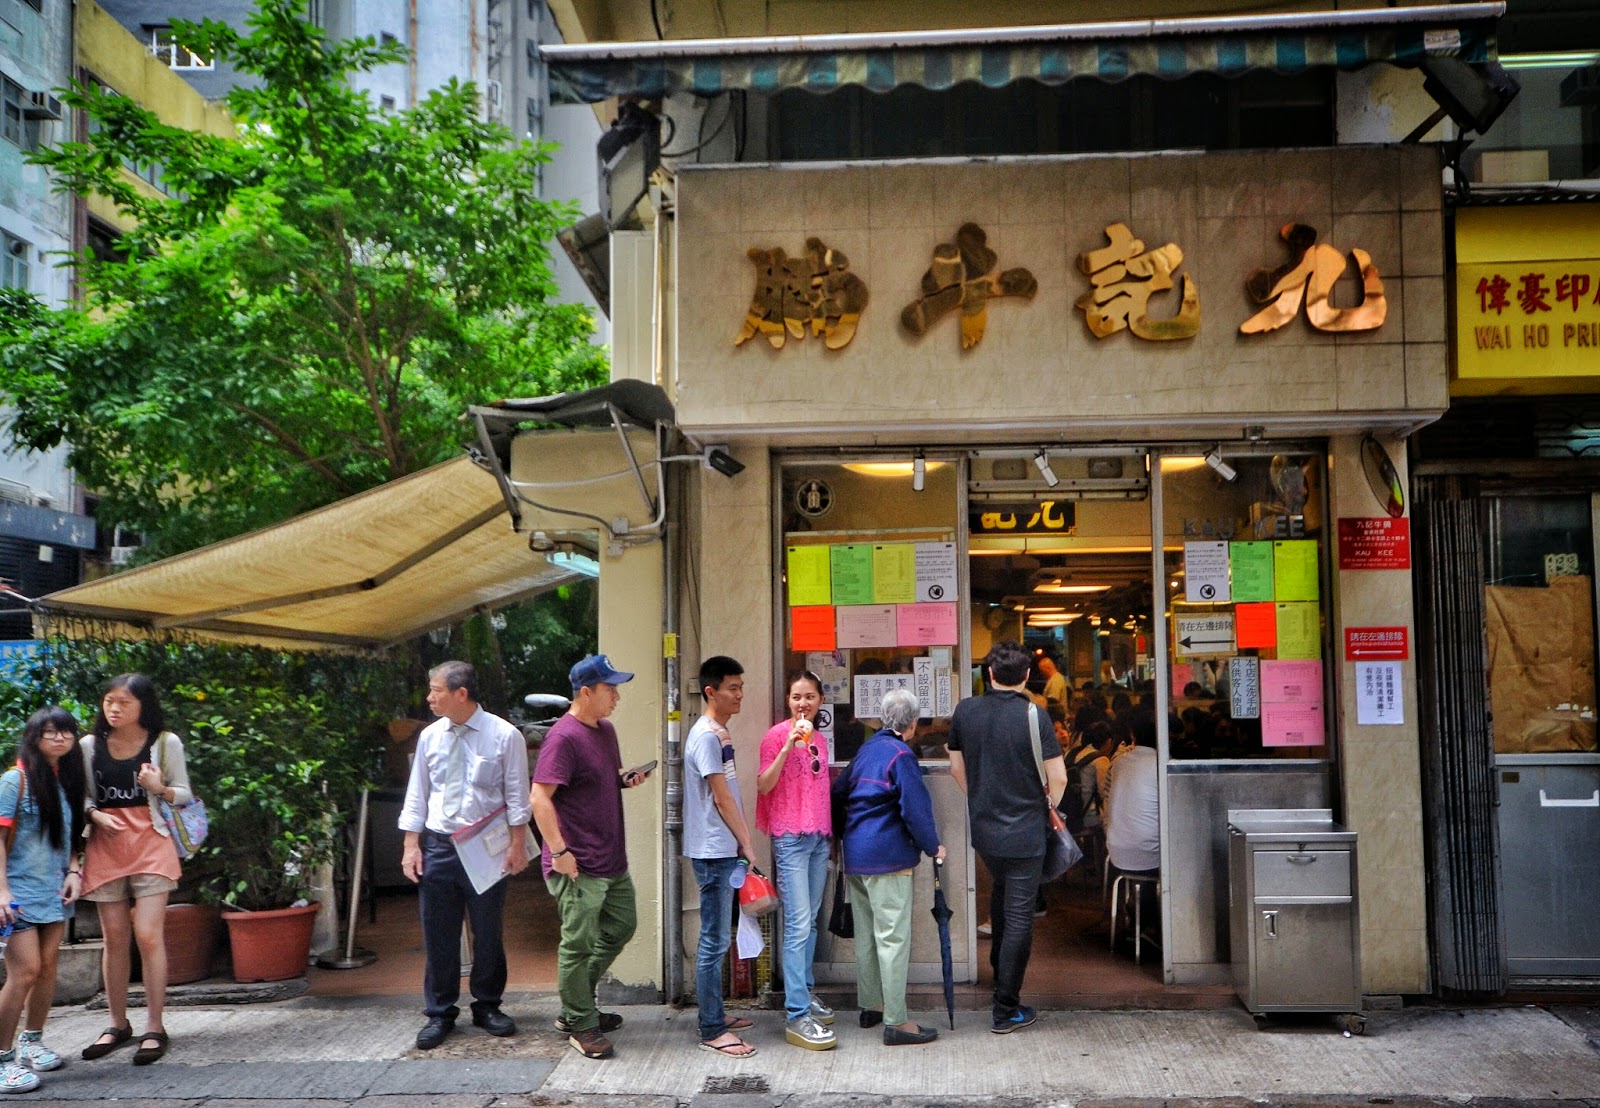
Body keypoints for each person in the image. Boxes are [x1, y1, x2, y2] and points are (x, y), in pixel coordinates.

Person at [399, 661, 531, 1051]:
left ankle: (488, 1006)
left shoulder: (505, 736)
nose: (429, 697)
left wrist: (518, 844)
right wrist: (411, 846)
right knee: (438, 933)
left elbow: (517, 796)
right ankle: (439, 1013)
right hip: (439, 845)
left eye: (435, 689)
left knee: (487, 932)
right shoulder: (430, 737)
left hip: (486, 848)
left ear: (461, 693)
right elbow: (417, 794)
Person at [947, 641, 1065, 1035]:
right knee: (1018, 917)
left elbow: (956, 766)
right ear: (1027, 676)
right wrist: (1045, 807)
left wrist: (979, 799)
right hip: (1027, 832)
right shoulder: (1035, 715)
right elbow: (1059, 777)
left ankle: (1001, 975)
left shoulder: (966, 711)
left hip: (986, 830)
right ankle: (1006, 1008)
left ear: (990, 675)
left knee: (1002, 894)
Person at [530, 655, 645, 1061]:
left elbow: (594, 782)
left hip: (612, 858)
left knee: (621, 927)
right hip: (577, 863)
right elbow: (539, 797)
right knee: (576, 945)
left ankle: (575, 1003)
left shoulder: (605, 730)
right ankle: (581, 1022)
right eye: (609, 688)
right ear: (585, 692)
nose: (616, 696)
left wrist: (623, 780)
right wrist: (559, 853)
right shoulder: (562, 737)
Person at [79, 674, 190, 1066]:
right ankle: (116, 1023)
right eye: (109, 701)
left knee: (148, 935)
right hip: (106, 846)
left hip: (152, 842)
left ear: (143, 706)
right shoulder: (89, 746)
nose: (114, 708)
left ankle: (155, 1026)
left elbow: (185, 794)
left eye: (123, 702)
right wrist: (95, 814)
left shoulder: (165, 743)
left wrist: (159, 788)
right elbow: (82, 797)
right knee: (114, 937)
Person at [833, 688, 945, 1047]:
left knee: (867, 935)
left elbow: (838, 792)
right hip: (889, 856)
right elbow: (915, 809)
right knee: (893, 939)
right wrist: (933, 846)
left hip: (857, 856)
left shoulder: (867, 751)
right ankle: (896, 1021)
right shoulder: (902, 756)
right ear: (912, 724)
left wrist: (841, 835)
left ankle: (871, 1006)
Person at [0, 708, 88, 1092]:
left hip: (52, 889)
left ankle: (31, 1042)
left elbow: (68, 836)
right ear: (34, 737)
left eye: (66, 732)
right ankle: (2, 1060)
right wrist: (1, 891)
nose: (59, 739)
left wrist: (73, 870)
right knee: (26, 972)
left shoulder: (64, 781)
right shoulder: (13, 780)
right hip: (16, 892)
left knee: (49, 968)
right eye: (50, 732)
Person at [682, 655, 759, 1058]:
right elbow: (721, 796)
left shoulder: (716, 733)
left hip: (719, 848)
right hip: (714, 851)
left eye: (741, 686)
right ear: (711, 691)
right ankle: (711, 1028)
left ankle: (716, 1014)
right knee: (713, 941)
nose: (739, 694)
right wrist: (746, 842)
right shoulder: (707, 736)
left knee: (718, 938)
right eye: (733, 687)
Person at [755, 671, 835, 1051]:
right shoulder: (774, 736)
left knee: (812, 922)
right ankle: (796, 1014)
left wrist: (829, 836)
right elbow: (763, 785)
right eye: (796, 697)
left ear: (821, 700)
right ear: (788, 700)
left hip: (818, 838)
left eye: (809, 697)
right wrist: (787, 747)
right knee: (798, 924)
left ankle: (806, 991)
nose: (802, 703)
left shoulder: (820, 739)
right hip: (790, 840)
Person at [1104, 710, 1160, 936]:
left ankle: (1139, 915)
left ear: (1132, 735)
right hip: (1149, 853)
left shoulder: (1119, 762)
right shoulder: (1160, 764)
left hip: (1116, 850)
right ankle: (1151, 920)